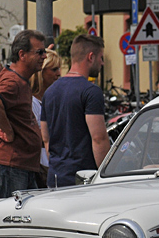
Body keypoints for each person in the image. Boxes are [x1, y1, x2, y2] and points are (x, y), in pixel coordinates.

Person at [41, 35, 110, 187]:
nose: (102, 63)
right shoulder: (91, 92)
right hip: (83, 180)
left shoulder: (49, 92)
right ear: (90, 57)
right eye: (101, 57)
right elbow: (99, 138)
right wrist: (106, 175)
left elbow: (46, 139)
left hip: (55, 178)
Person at [0, 29, 46, 198]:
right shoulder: (13, 81)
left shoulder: (20, 80)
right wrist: (9, 132)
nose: (44, 56)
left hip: (19, 166)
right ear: (22, 54)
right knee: (11, 220)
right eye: (39, 52)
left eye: (45, 52)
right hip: (12, 166)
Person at [30, 49, 61, 186]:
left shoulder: (51, 99)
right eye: (54, 69)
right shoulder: (31, 103)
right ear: (41, 73)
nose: (58, 74)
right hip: (40, 167)